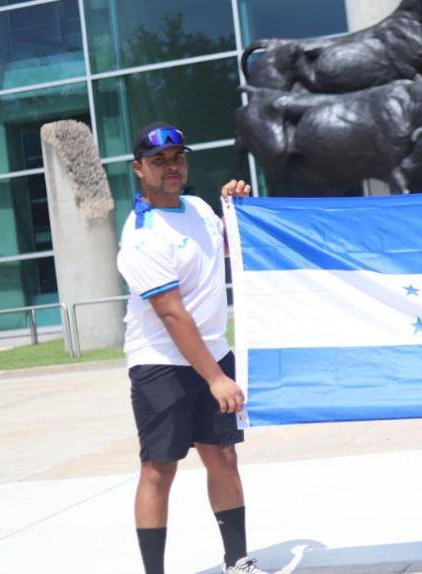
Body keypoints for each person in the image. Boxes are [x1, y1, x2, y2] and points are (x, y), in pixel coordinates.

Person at [116, 122, 267, 574]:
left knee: (222, 455)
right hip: (161, 365)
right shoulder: (141, 235)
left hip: (213, 352)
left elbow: (227, 250)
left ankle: (237, 560)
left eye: (177, 158)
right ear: (139, 169)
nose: (171, 167)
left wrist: (236, 209)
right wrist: (216, 377)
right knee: (159, 469)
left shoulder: (199, 208)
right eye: (159, 161)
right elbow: (172, 314)